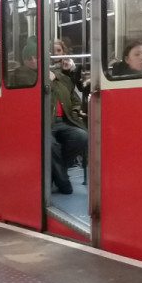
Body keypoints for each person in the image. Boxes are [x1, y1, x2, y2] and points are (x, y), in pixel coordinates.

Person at [48, 41, 89, 195]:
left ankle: (57, 174)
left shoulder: (65, 77)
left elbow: (75, 99)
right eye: (52, 51)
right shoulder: (38, 75)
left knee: (82, 136)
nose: (55, 54)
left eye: (59, 51)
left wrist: (76, 110)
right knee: (50, 145)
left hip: (65, 120)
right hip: (46, 122)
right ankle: (63, 181)